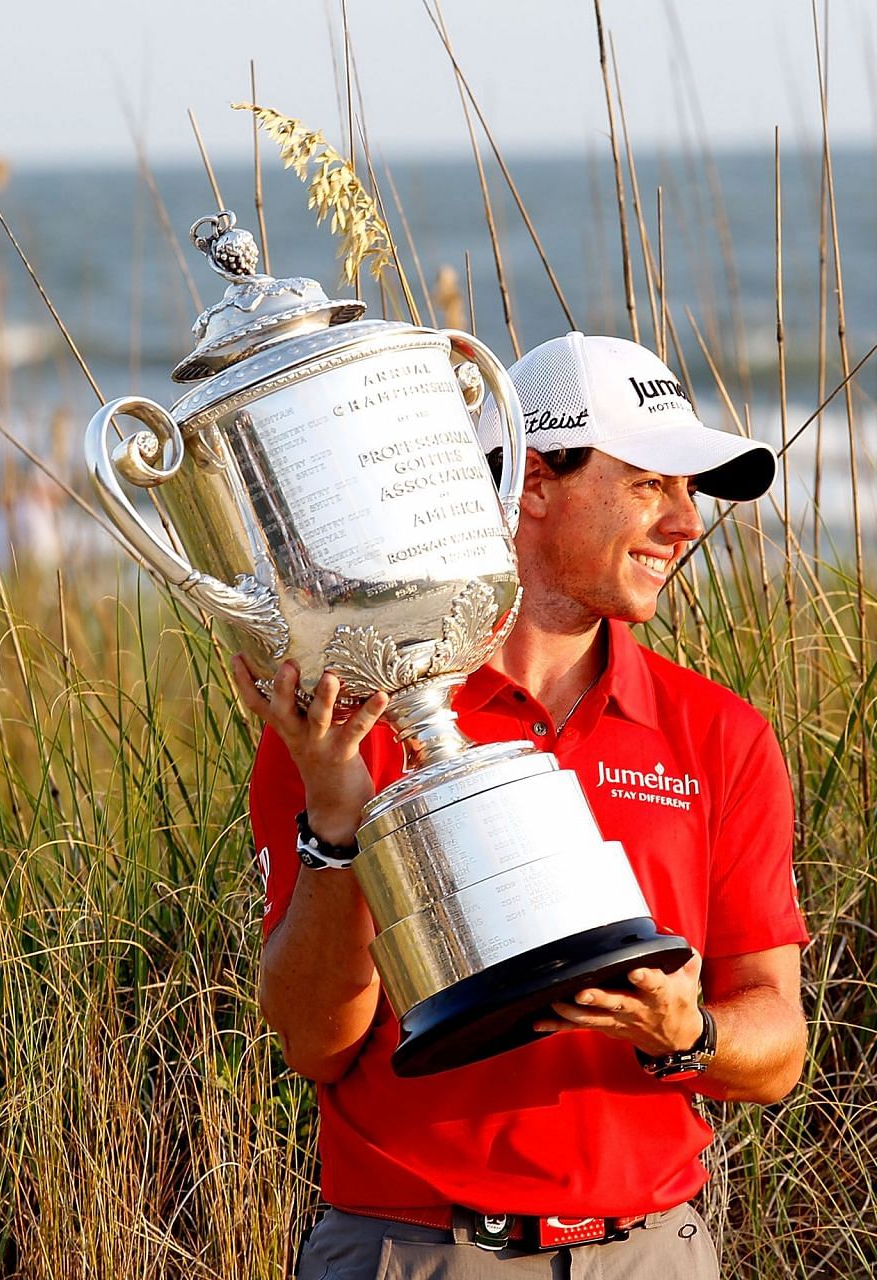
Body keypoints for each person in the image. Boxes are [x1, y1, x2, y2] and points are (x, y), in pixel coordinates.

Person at [237, 332, 808, 1279]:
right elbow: (314, 1042)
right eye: (650, 484)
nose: (686, 522)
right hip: (416, 1252)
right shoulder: (352, 718)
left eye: (690, 492)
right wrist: (339, 831)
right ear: (534, 481)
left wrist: (687, 1033)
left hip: (653, 1254)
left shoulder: (721, 735)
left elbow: (779, 1044)